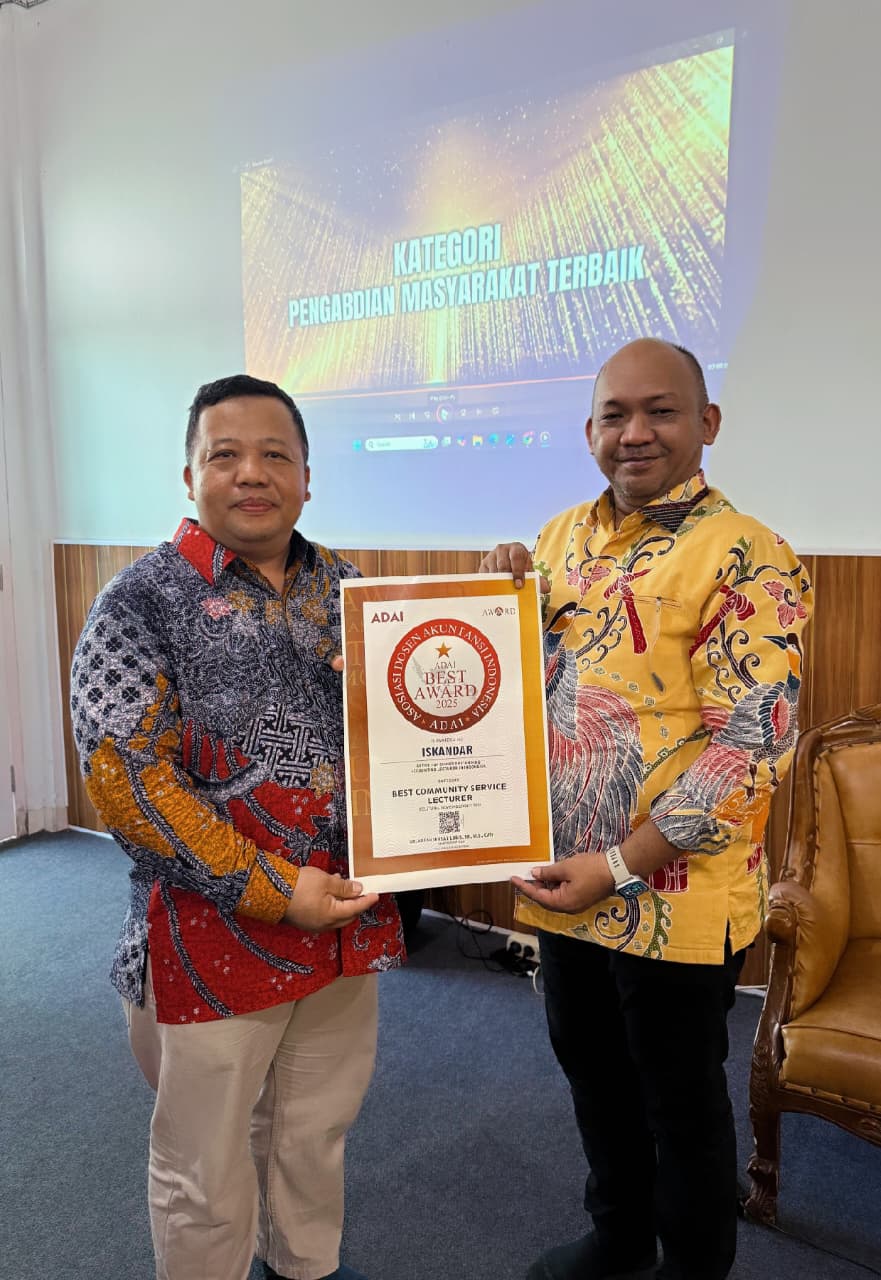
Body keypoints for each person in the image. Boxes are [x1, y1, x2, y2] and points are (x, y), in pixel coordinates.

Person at [480, 339, 812, 1280]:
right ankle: (620, 1235)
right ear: (587, 431)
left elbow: (751, 744)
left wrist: (621, 863)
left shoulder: (748, 553)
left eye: (660, 411)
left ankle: (691, 1266)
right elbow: (524, 688)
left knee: (680, 1103)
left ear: (706, 423)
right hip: (564, 882)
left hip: (673, 895)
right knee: (592, 1077)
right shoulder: (555, 542)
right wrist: (491, 599)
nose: (635, 433)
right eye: (614, 415)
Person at [71, 374, 403, 1280]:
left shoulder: (350, 591)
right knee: (204, 1168)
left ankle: (303, 1265)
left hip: (344, 917)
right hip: (206, 935)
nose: (251, 474)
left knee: (313, 1130)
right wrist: (273, 888)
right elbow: (129, 783)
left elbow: (411, 731)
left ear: (307, 478)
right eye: (225, 455)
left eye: (274, 455)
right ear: (190, 476)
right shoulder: (137, 602)